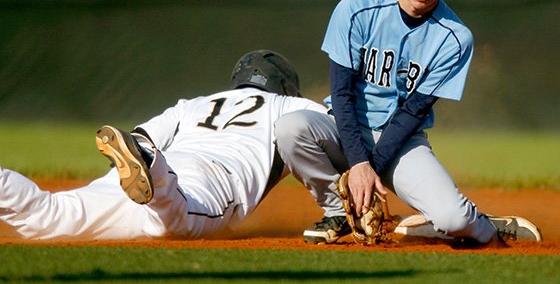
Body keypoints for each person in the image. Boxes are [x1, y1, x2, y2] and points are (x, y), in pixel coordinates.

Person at [274, 0, 542, 246]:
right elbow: (342, 93)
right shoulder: (356, 9)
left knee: (454, 219)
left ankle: (481, 225)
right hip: (343, 129)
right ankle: (340, 212)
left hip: (401, 142)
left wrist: (370, 170)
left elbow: (413, 111)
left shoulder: (455, 39)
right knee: (291, 128)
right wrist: (359, 164)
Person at [0, 50, 328, 240]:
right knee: (175, 225)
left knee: (46, 216)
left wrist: (140, 153)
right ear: (285, 87)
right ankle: (154, 176)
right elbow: (336, 129)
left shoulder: (194, 104)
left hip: (160, 163)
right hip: (208, 177)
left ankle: (151, 167)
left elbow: (139, 137)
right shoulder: (290, 107)